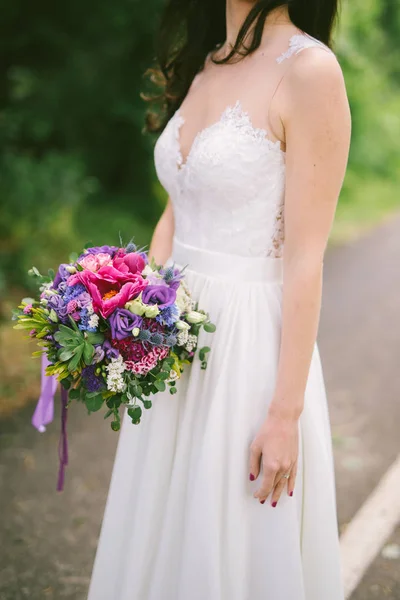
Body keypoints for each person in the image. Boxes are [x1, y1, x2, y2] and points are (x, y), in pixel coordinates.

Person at [87, 1, 351, 598]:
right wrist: (125, 308)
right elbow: (179, 206)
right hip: (174, 335)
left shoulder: (310, 70)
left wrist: (285, 415)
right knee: (164, 522)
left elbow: (306, 259)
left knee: (231, 533)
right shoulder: (209, 61)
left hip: (246, 346)